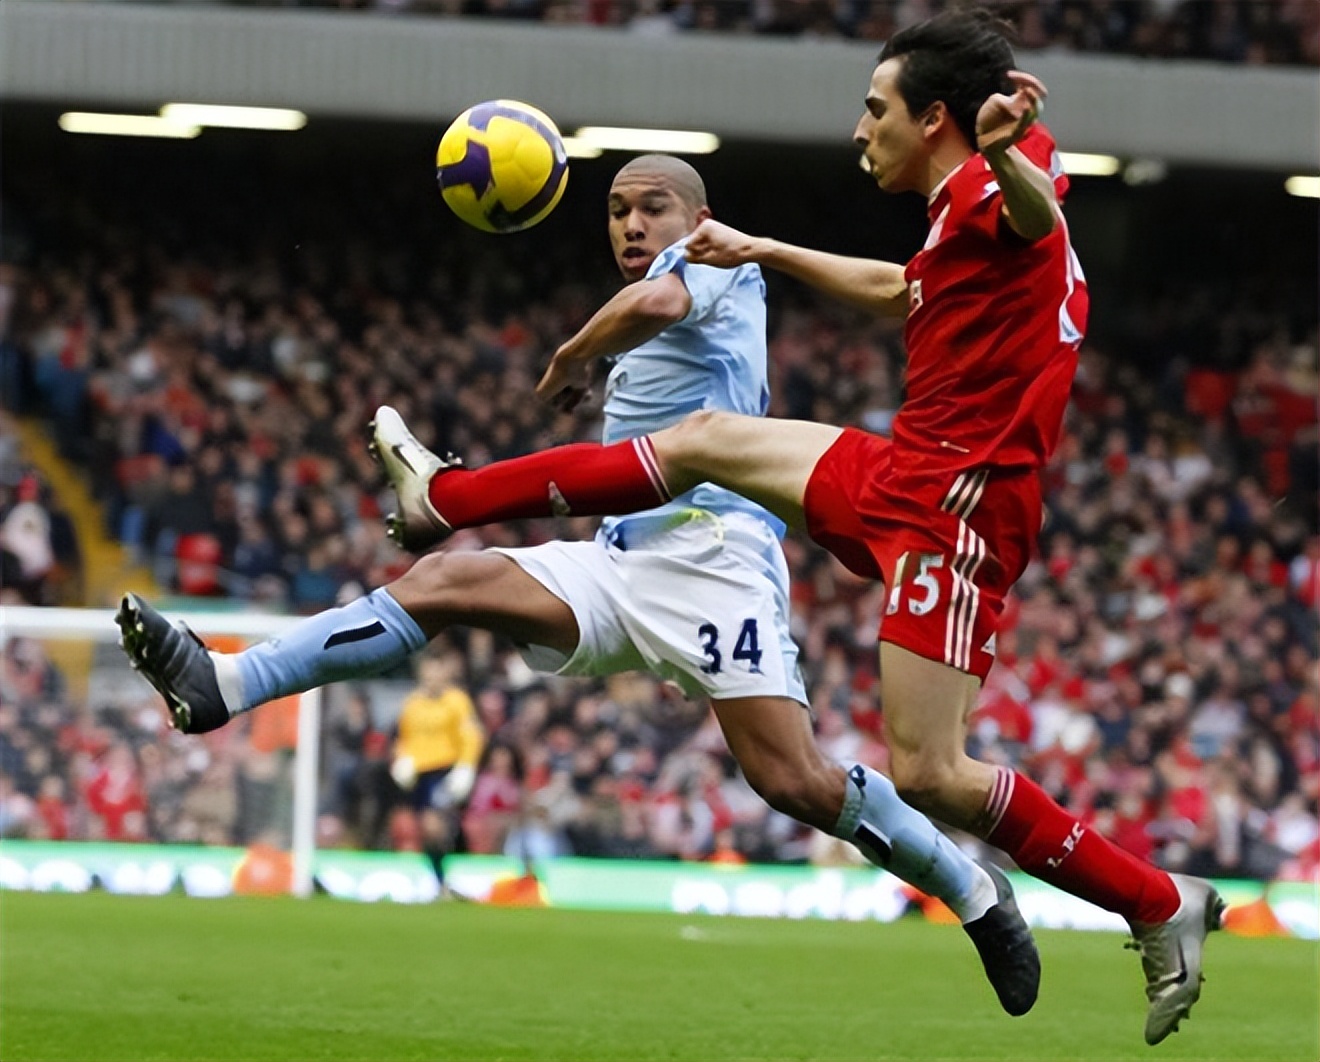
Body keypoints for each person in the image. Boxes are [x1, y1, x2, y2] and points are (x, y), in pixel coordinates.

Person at [276, 12, 1223, 1044]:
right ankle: (442, 498)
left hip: (958, 511)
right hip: (905, 465)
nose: (859, 130)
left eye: (875, 109)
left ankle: (1158, 903)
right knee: (705, 438)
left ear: (936, 119)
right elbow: (903, 289)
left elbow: (1040, 228)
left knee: (930, 771)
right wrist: (766, 245)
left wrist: (1003, 161)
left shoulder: (1002, 180)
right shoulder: (964, 199)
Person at [119, 151, 1040, 1015]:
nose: (633, 224)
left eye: (652, 207)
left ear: (699, 216)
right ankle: (227, 682)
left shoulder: (716, 262)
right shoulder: (659, 280)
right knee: (445, 581)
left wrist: (569, 358)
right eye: (616, 210)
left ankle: (971, 890)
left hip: (714, 556)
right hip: (618, 555)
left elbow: (657, 304)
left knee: (793, 780)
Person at [390, 651, 484, 894]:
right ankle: (446, 880)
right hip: (420, 774)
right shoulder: (413, 703)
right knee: (427, 829)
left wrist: (466, 767)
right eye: (427, 673)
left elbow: (470, 736)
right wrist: (403, 761)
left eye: (436, 673)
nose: (431, 678)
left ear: (445, 674)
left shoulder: (457, 701)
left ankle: (447, 879)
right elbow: (404, 738)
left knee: (434, 825)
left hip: (446, 771)